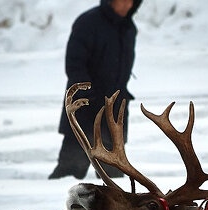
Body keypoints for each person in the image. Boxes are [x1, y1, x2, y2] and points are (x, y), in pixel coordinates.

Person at [48, 0, 141, 180]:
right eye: (123, 1)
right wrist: (87, 95)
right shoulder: (88, 23)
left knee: (114, 180)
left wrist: (120, 94)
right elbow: (74, 64)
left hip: (113, 113)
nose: (128, 6)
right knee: (69, 173)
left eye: (132, 1)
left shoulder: (129, 27)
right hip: (85, 110)